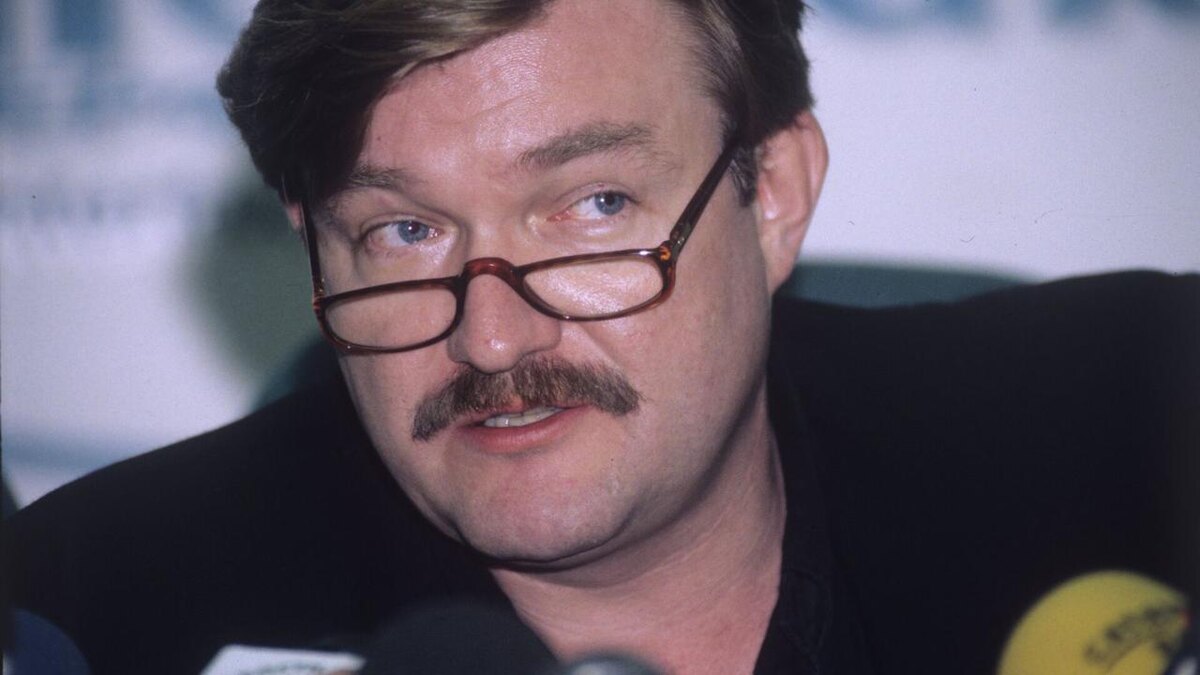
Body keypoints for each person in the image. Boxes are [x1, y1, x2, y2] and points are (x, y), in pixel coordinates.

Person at [6, 1, 1197, 673]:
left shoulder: (1143, 420)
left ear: (773, 195)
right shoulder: (98, 613)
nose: (491, 340)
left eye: (592, 207)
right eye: (405, 231)